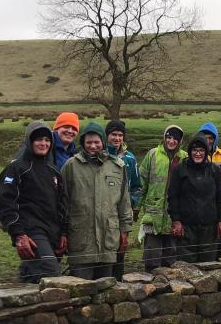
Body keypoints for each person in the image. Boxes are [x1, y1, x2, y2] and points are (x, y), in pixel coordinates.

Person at [0, 120, 66, 283]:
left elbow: (61, 204)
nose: (43, 143)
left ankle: (25, 285)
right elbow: (7, 202)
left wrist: (63, 232)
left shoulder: (54, 170)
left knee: (37, 277)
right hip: (31, 232)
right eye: (39, 140)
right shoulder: (16, 169)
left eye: (47, 140)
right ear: (29, 141)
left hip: (53, 232)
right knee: (52, 274)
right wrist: (19, 234)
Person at [61, 121, 132, 279]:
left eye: (96, 142)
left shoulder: (117, 167)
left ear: (103, 142)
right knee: (80, 290)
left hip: (108, 240)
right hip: (81, 241)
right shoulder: (71, 166)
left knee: (106, 292)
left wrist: (124, 230)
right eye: (88, 142)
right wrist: (62, 233)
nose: (93, 146)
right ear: (82, 143)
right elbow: (62, 203)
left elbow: (124, 202)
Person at [167, 132, 221, 263]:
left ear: (206, 152)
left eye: (201, 150)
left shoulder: (215, 171)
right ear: (190, 152)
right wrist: (176, 220)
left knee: (208, 266)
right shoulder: (180, 170)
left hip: (210, 229)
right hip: (186, 228)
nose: (198, 154)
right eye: (195, 150)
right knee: (186, 267)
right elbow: (173, 197)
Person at [138, 125, 187, 271]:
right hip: (152, 214)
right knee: (152, 256)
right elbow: (142, 182)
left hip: (174, 214)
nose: (171, 141)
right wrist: (135, 207)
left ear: (180, 141)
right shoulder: (152, 154)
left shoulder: (184, 157)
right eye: (168, 137)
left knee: (171, 257)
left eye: (175, 139)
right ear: (164, 137)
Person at [105, 119, 142, 280]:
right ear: (107, 136)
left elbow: (136, 186)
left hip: (122, 215)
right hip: (104, 212)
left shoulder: (130, 159)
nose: (117, 138)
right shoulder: (101, 156)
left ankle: (118, 287)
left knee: (120, 251)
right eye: (114, 134)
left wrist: (130, 205)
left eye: (120, 135)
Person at [198, 121, 221, 257]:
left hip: (219, 202)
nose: (207, 141)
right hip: (199, 203)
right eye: (205, 137)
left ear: (216, 139)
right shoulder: (195, 154)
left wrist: (211, 177)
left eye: (211, 138)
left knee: (220, 239)